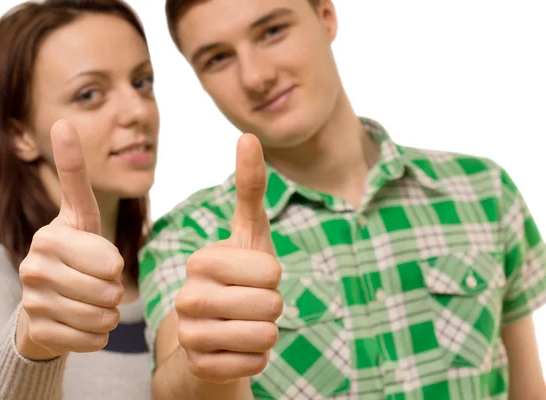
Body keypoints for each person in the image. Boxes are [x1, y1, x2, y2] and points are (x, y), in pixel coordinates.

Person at [138, 0, 546, 399]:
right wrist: (211, 360)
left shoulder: (483, 189)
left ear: (327, 16)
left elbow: (528, 387)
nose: (255, 76)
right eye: (218, 58)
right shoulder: (188, 239)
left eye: (272, 31)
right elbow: (174, 387)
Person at [0, 0, 159, 399]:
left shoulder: (163, 263)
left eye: (142, 82)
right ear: (19, 135)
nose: (136, 110)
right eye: (90, 94)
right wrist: (32, 344)